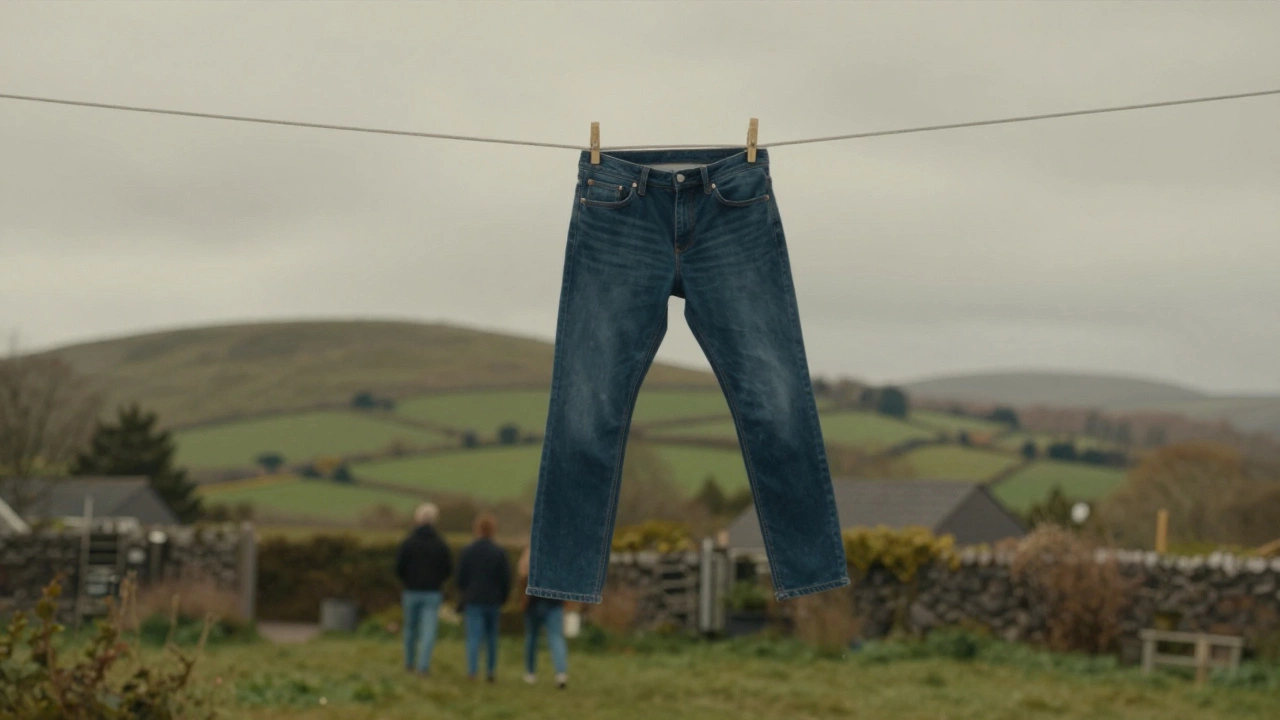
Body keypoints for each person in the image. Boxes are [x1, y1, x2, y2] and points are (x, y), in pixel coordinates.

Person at [394, 502, 453, 676]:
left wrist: (407, 580)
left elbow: (399, 567)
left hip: (411, 591)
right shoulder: (440, 544)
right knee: (428, 630)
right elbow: (447, 568)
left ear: (417, 519)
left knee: (410, 629)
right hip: (432, 592)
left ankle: (409, 663)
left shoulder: (408, 543)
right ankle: (423, 666)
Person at [456, 512, 511, 682]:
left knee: (474, 636)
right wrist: (503, 597)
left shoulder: (468, 551)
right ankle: (491, 671)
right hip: (493, 600)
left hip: (473, 599)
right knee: (491, 638)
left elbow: (460, 577)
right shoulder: (499, 552)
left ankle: (472, 671)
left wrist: (465, 592)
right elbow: (505, 578)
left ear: (477, 529)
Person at [517, 545, 569, 689]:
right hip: (554, 602)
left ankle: (530, 673)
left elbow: (522, 575)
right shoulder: (559, 554)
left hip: (534, 602)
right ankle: (561, 673)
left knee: (532, 638)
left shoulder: (530, 551)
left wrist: (523, 598)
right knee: (556, 638)